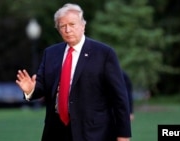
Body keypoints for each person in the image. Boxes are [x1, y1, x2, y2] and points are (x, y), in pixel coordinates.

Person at [16, 3, 131, 141]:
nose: (67, 29)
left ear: (83, 26)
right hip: (56, 132)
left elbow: (119, 97)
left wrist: (123, 135)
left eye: (72, 24)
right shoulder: (51, 53)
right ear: (58, 30)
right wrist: (30, 90)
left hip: (93, 133)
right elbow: (43, 87)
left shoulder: (104, 53)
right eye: (62, 26)